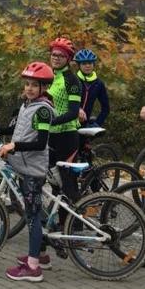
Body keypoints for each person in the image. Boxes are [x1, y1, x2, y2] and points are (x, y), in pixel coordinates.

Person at [0, 62, 55, 282]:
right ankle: (41, 255)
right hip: (23, 166)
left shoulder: (43, 110)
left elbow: (40, 143)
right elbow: (17, 131)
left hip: (33, 169)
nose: (30, 88)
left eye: (35, 85)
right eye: (27, 84)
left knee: (31, 217)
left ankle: (33, 269)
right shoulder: (28, 105)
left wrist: (14, 146)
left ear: (44, 88)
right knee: (34, 212)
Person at [47, 38, 82, 207]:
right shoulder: (48, 77)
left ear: (68, 59)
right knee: (54, 181)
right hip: (50, 135)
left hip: (67, 135)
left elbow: (74, 112)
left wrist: (51, 121)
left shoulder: (72, 80)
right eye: (54, 54)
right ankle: (59, 221)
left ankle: (75, 224)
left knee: (67, 182)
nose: (56, 58)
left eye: (61, 55)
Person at [74, 49, 109, 128]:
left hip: (84, 126)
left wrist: (97, 124)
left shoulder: (98, 84)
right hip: (69, 124)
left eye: (90, 63)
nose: (87, 66)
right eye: (84, 63)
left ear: (93, 64)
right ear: (79, 65)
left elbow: (106, 108)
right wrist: (77, 109)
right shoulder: (73, 80)